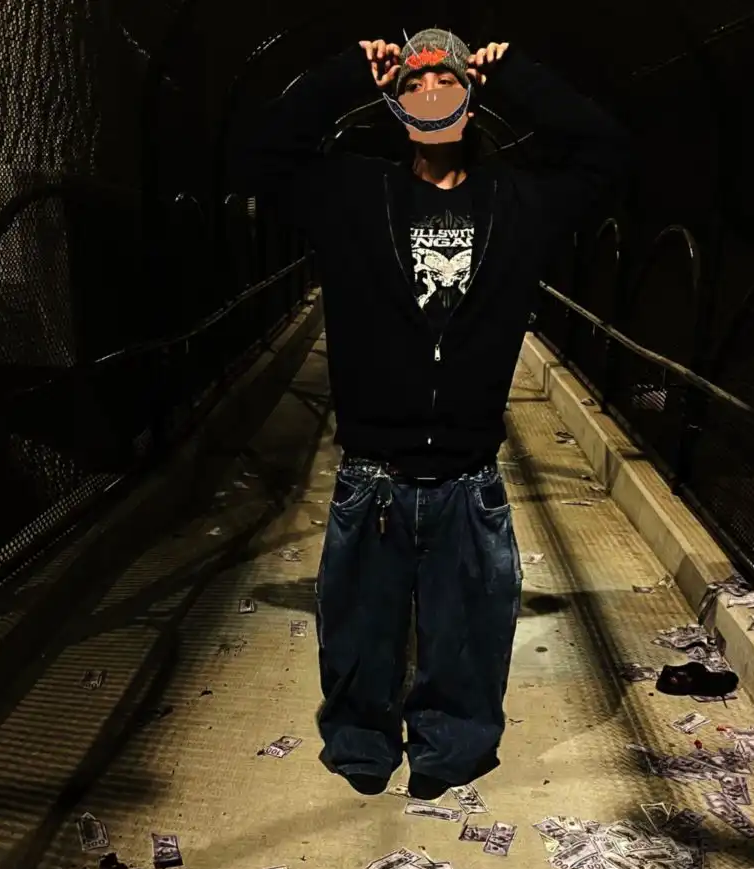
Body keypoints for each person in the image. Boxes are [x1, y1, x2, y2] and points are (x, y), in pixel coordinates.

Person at [233, 28, 631, 798]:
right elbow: (259, 159)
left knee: (467, 638)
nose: (430, 91)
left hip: (468, 480)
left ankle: (448, 750)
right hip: (372, 478)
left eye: (446, 80)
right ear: (395, 105)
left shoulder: (518, 200)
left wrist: (521, 76)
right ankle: (362, 744)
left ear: (472, 101)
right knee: (359, 634)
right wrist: (344, 74)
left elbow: (608, 155)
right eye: (413, 83)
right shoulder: (354, 195)